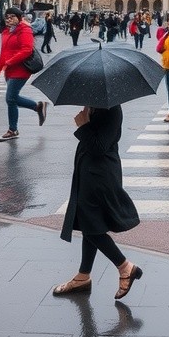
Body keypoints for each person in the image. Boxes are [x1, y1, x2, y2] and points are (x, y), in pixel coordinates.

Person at [52, 104, 142, 299]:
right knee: (91, 223)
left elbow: (99, 147)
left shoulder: (112, 110)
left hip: (100, 177)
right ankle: (83, 275)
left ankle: (125, 267)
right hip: (91, 173)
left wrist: (83, 125)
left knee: (92, 226)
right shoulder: (95, 106)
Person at [0, 7, 47, 141]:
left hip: (21, 69)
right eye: (7, 17)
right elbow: (3, 52)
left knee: (10, 99)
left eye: (12, 16)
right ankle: (38, 107)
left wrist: (9, 62)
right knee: (12, 98)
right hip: (9, 69)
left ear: (19, 18)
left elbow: (26, 50)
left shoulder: (25, 30)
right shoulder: (6, 31)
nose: (9, 19)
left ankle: (13, 130)